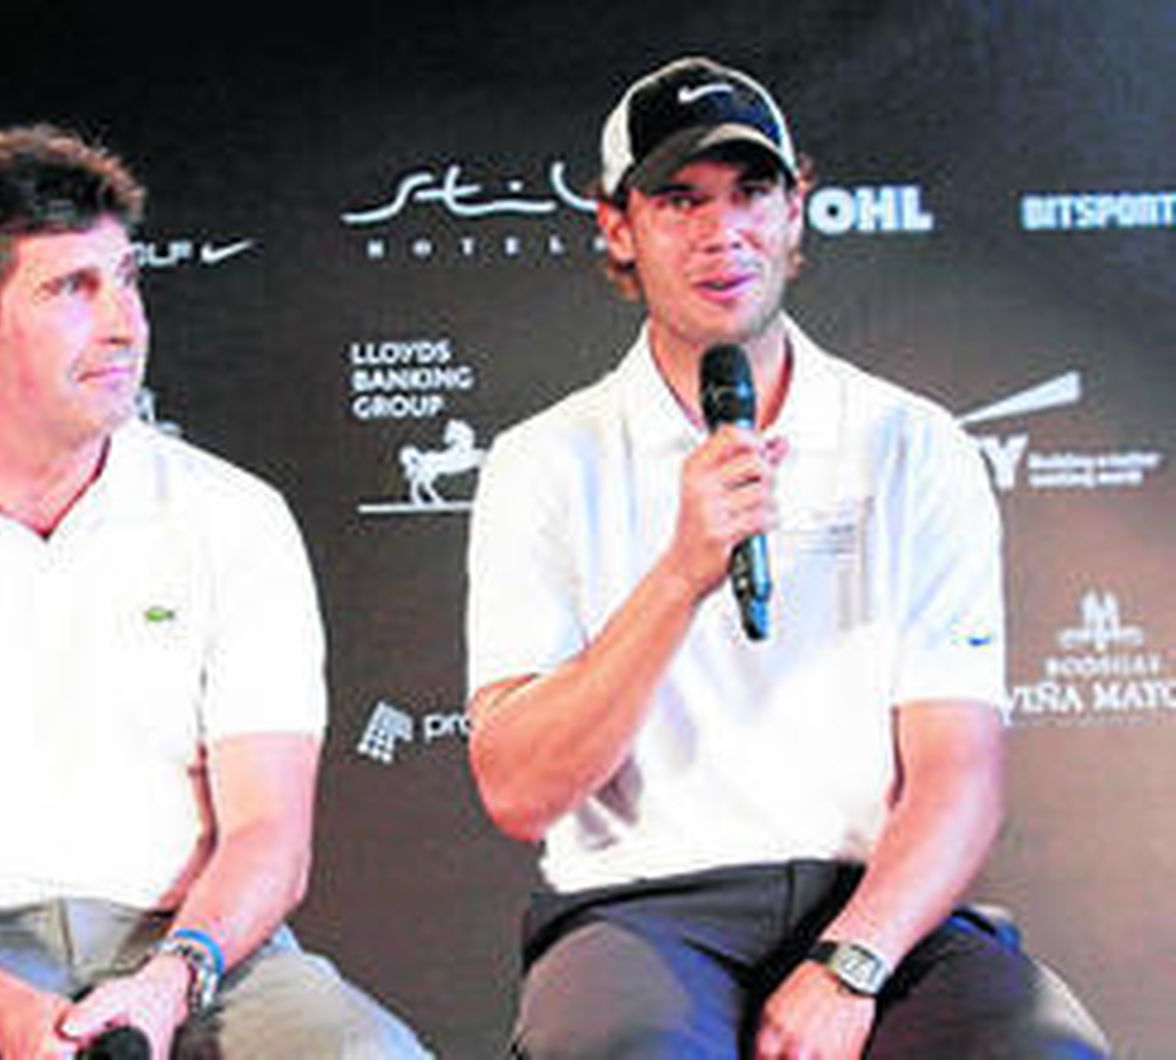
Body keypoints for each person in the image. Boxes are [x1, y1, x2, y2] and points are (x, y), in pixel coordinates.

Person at [465, 57, 1110, 1058]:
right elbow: (518, 788)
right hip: (642, 912)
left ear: (796, 208)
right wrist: (679, 575)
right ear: (616, 226)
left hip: (879, 905)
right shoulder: (543, 462)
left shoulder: (911, 441)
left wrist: (851, 962)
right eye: (678, 200)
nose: (722, 234)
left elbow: (958, 769)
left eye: (751, 192)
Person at [0, 124, 431, 1060]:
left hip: (193, 949)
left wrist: (169, 980)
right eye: (73, 289)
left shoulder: (234, 516)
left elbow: (271, 832)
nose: (125, 323)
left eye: (127, 279)